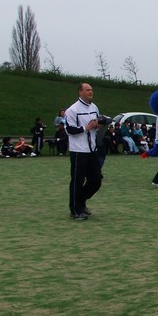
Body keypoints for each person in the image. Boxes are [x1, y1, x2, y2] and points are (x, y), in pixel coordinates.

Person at [65, 83, 104, 220]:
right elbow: (69, 130)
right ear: (80, 92)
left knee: (96, 180)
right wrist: (86, 127)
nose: (90, 92)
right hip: (78, 150)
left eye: (91, 90)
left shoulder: (94, 108)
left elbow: (96, 125)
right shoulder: (72, 110)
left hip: (91, 149)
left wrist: (97, 126)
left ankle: (81, 201)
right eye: (87, 90)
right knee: (77, 181)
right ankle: (75, 210)